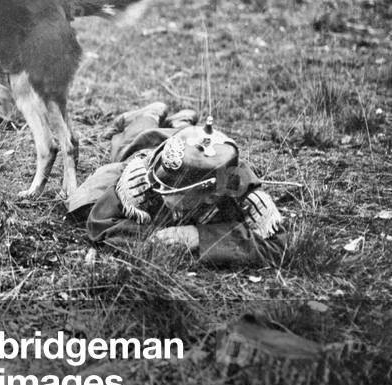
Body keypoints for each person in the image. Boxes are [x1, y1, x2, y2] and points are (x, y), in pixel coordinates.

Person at [66, 102, 287, 268]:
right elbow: (100, 223)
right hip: (157, 150)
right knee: (128, 150)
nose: (161, 191)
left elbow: (277, 246)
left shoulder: (239, 189)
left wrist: (197, 236)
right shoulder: (144, 176)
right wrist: (154, 237)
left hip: (185, 152)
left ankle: (180, 123)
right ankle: (149, 114)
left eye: (174, 190)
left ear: (211, 195)